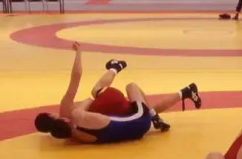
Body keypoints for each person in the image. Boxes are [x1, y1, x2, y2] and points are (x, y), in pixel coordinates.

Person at [33, 41, 202, 144]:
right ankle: (115, 68)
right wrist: (78, 52)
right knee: (125, 87)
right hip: (124, 115)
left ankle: (184, 93)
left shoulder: (74, 137)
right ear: (54, 116)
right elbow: (82, 86)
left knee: (142, 108)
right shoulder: (73, 114)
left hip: (130, 125)